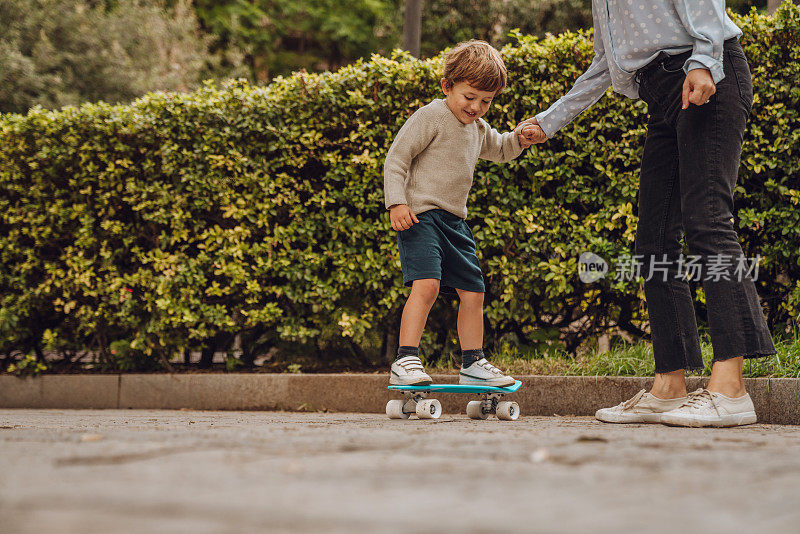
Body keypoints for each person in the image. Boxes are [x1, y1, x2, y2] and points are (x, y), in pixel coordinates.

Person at [519, 0, 777, 427]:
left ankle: (731, 389)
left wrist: (706, 61)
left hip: (702, 76)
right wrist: (550, 121)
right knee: (654, 239)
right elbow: (606, 64)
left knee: (708, 221)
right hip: (662, 96)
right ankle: (669, 386)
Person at [384, 40, 534, 387]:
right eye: (469, 97)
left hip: (455, 221)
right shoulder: (430, 116)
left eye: (486, 101)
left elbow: (501, 149)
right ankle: (405, 359)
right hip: (420, 216)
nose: (477, 107)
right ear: (447, 86)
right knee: (427, 285)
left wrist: (522, 138)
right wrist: (396, 202)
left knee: (474, 291)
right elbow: (397, 159)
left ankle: (473, 363)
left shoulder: (478, 129)